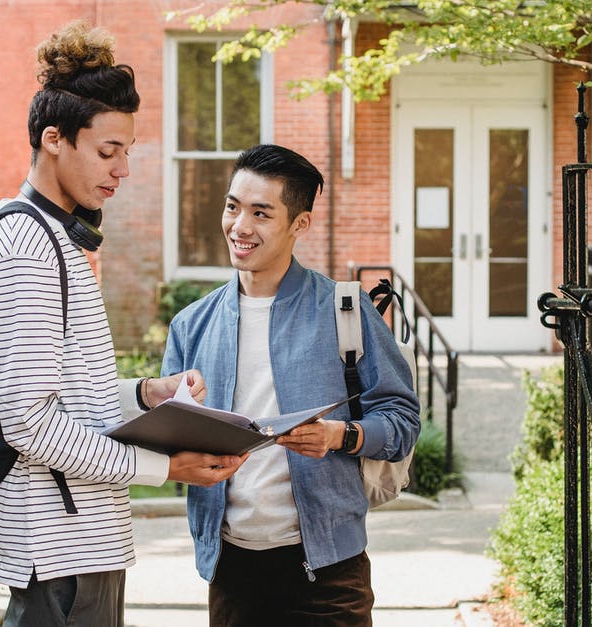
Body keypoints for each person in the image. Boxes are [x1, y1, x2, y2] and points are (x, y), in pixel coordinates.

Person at [0, 21, 245, 626]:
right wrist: (164, 469)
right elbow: (29, 422)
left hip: (80, 543)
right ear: (53, 140)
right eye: (106, 152)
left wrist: (149, 394)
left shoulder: (55, 239)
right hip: (57, 551)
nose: (122, 170)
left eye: (128, 152)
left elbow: (67, 397)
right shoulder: (25, 246)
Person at [161, 143, 421, 625]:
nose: (240, 226)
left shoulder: (344, 310)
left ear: (299, 224)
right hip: (230, 570)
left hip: (328, 575)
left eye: (261, 213)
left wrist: (338, 435)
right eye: (233, 206)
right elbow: (171, 441)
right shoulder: (190, 326)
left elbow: (402, 421)